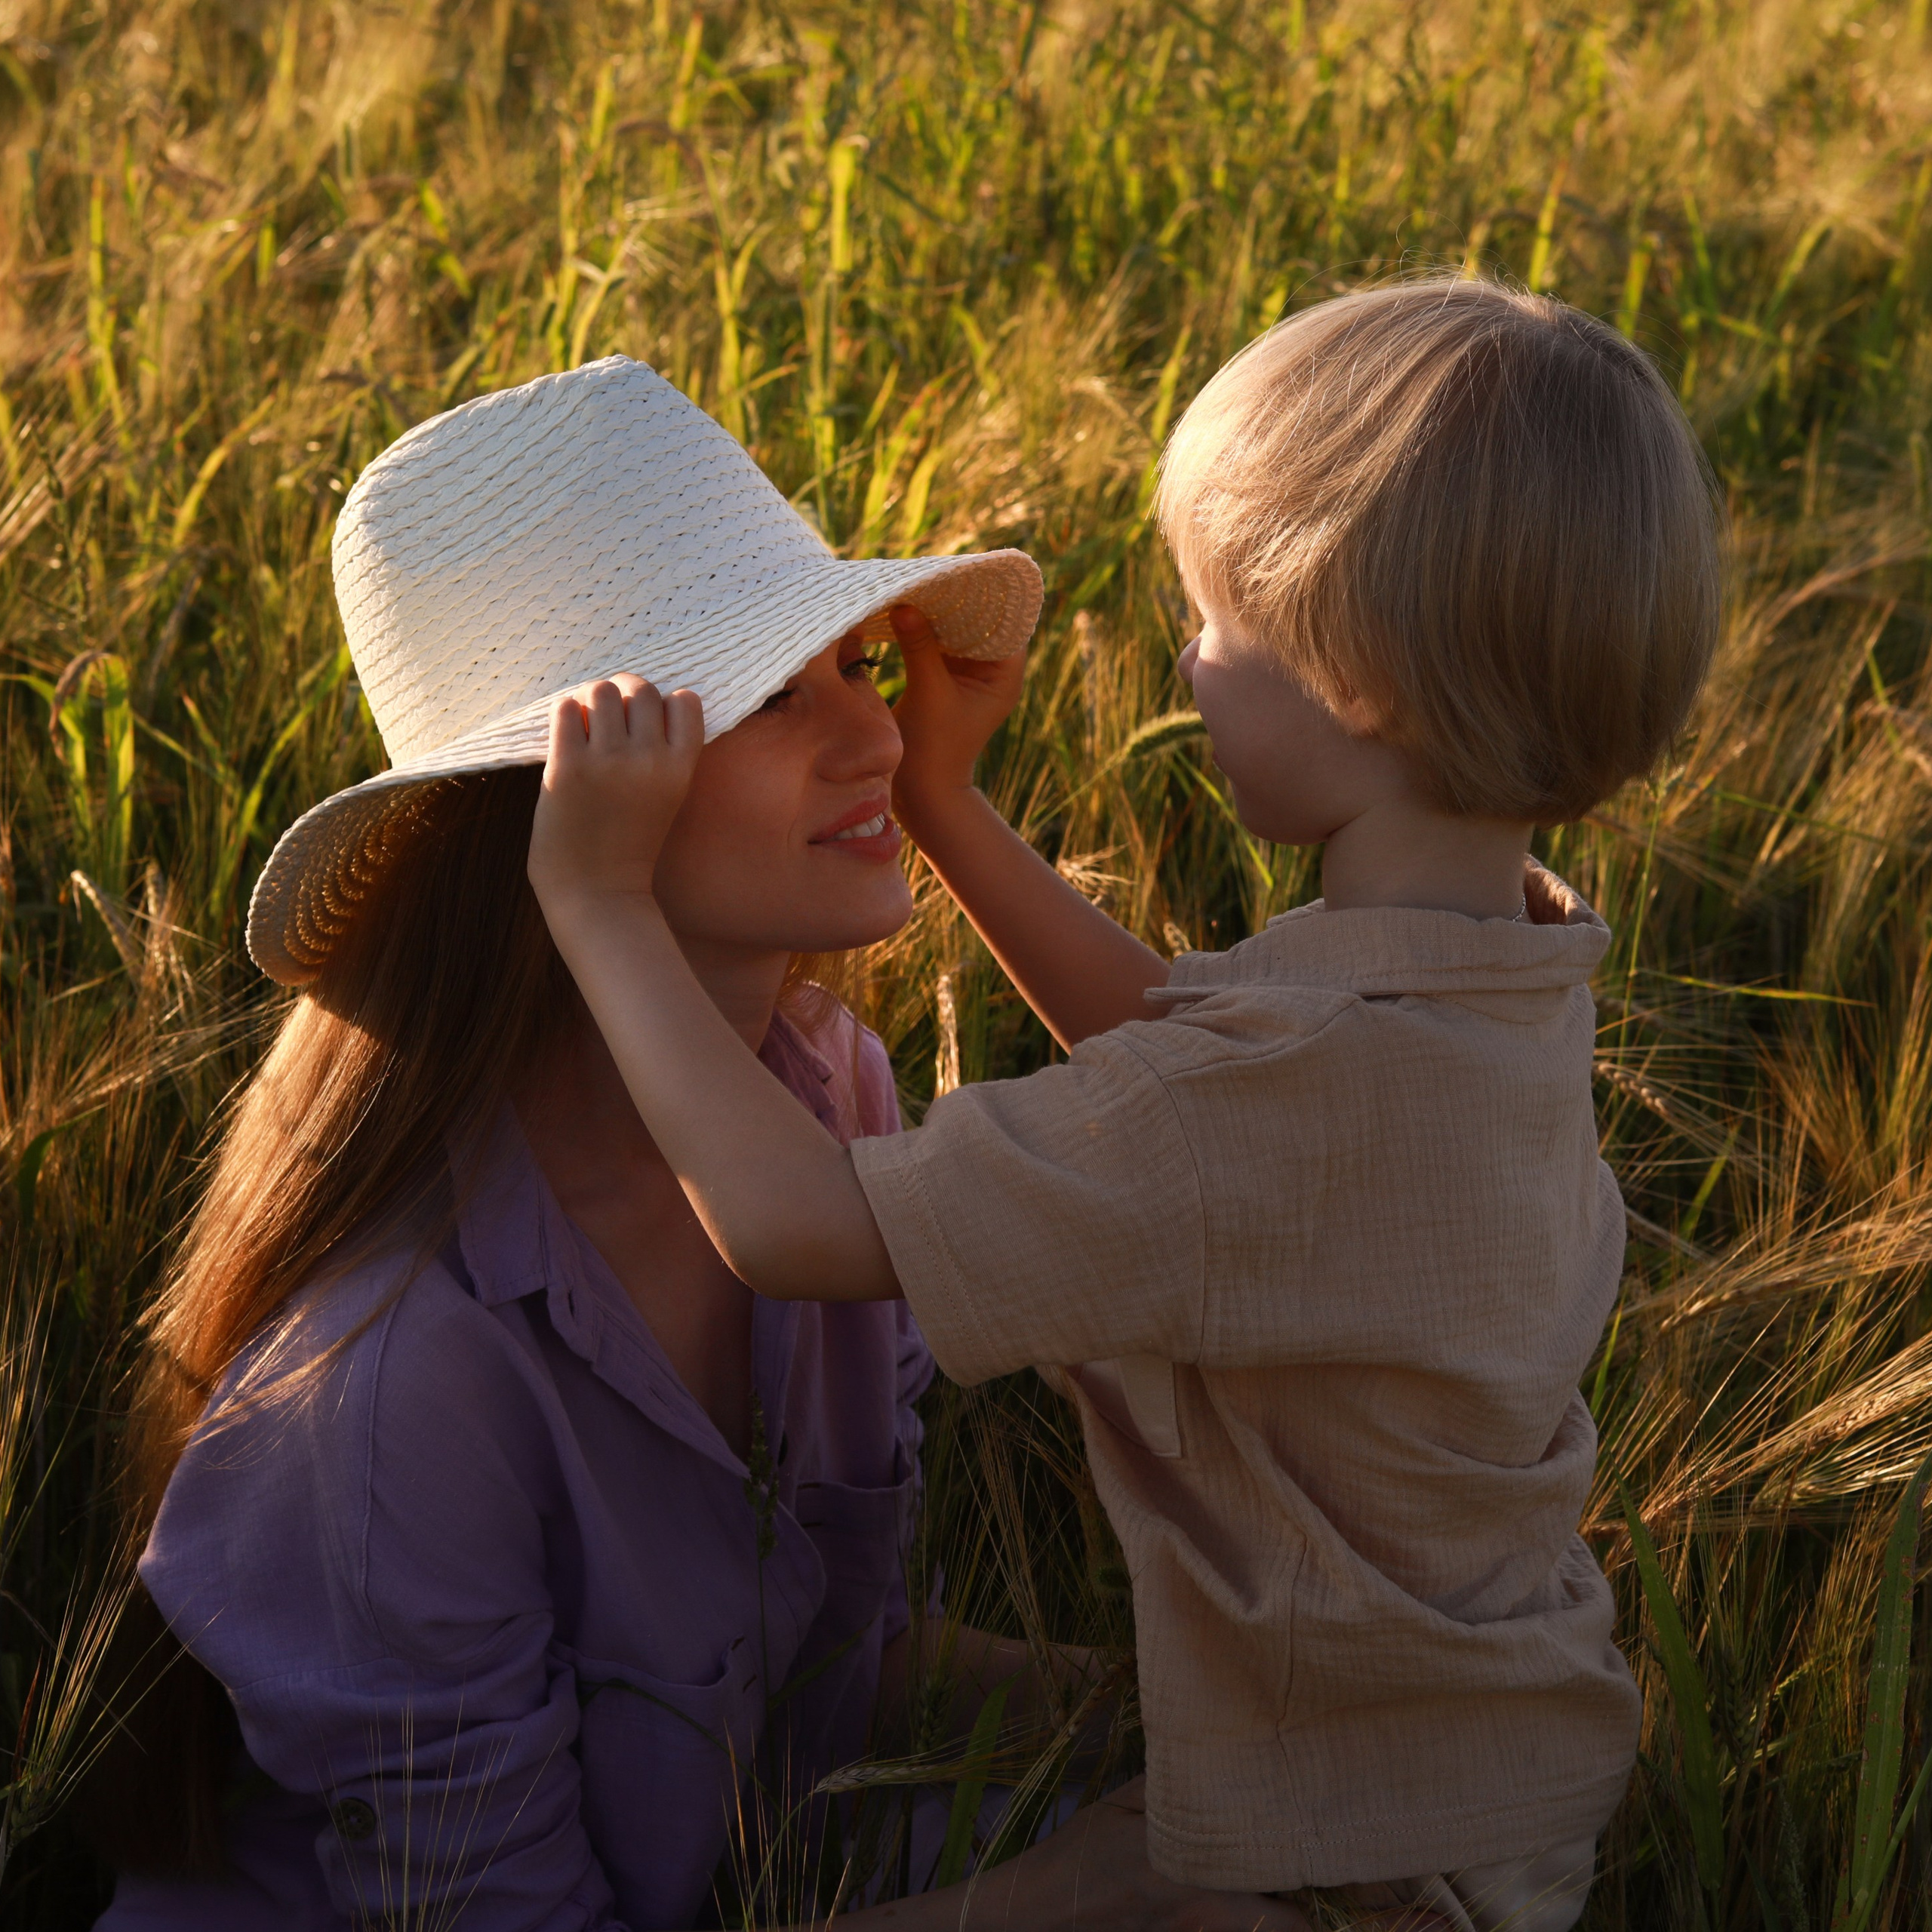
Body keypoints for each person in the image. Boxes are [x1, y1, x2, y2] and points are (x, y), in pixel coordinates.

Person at [524, 279, 1726, 1932]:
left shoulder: (1281, 1095)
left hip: (1351, 1860)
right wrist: (939, 802)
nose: (1186, 655)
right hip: (1455, 1760)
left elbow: (800, 1221)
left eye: (1217, 624)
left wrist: (596, 900)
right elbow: (1186, 1048)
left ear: (1354, 676)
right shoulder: (1497, 968)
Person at [96, 357, 1309, 1931]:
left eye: (854, 669)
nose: (872, 744)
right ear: (554, 811)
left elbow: (829, 1663)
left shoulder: (833, 1100)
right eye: (760, 695)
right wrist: (1088, 1892)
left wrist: (1180, 1704)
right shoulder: (393, 1388)